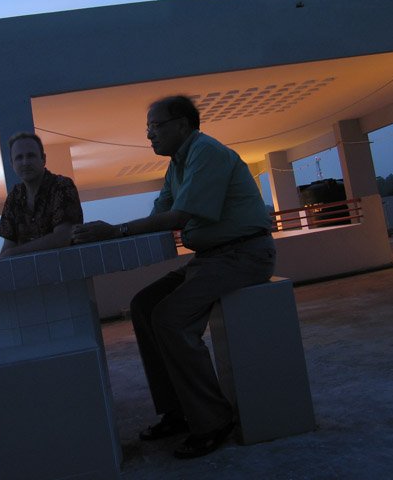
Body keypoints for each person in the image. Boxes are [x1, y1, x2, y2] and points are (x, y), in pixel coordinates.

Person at [72, 95, 276, 459]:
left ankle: (213, 419)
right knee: (144, 304)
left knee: (170, 319)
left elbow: (179, 217)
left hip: (244, 254)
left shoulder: (206, 152)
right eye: (148, 128)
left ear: (182, 124)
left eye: (155, 126)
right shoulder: (177, 166)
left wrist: (115, 230)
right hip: (211, 259)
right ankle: (177, 410)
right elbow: (160, 215)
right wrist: (105, 239)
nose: (149, 135)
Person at [0, 132, 83, 383]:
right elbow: (7, 247)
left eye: (31, 155)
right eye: (19, 157)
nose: (25, 162)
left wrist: (16, 253)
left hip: (58, 284)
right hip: (23, 285)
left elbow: (63, 237)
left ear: (43, 159)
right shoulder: (15, 197)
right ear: (12, 164)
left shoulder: (62, 186)